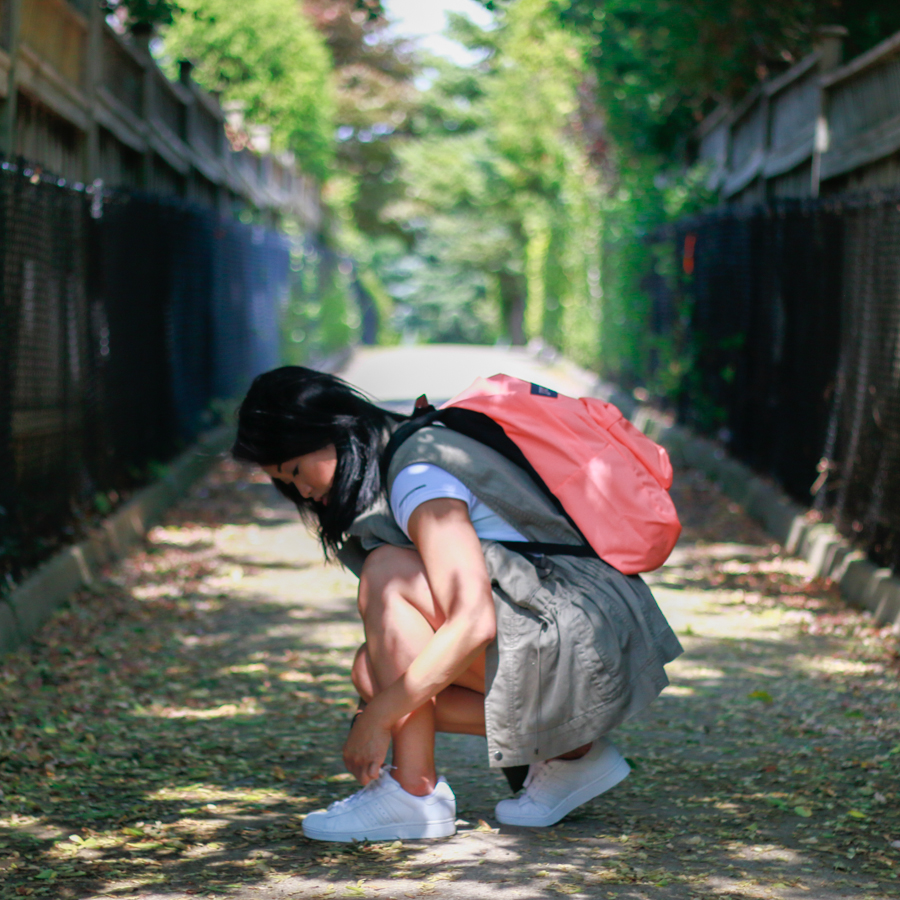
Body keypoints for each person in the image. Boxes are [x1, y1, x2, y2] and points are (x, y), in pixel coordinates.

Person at [232, 366, 683, 843]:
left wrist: (379, 720)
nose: (301, 492)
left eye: (297, 472)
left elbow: (472, 621)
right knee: (374, 670)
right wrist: (381, 704)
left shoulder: (417, 477)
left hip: (583, 641)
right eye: (285, 484)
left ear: (335, 434)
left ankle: (414, 795)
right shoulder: (409, 451)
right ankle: (575, 755)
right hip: (586, 630)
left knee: (388, 575)